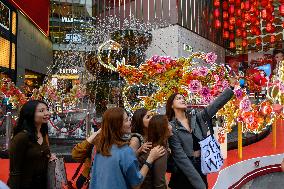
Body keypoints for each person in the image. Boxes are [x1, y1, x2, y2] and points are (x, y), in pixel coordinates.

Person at [166, 81, 237, 189]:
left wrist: (230, 88)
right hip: (182, 172)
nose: (182, 99)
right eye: (178, 98)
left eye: (183, 98)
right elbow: (179, 155)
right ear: (171, 105)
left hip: (200, 166)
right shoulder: (171, 127)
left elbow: (214, 106)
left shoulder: (196, 117)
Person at [89, 107, 165, 189]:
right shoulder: (125, 150)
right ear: (117, 125)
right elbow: (136, 183)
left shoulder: (100, 148)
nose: (130, 123)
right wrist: (150, 159)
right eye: (126, 120)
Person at [8, 100, 55, 189]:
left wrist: (49, 157)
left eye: (47, 109)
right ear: (30, 114)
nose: (47, 113)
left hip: (42, 183)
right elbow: (15, 172)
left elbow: (40, 153)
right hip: (25, 184)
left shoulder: (43, 133)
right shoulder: (21, 137)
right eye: (41, 111)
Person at [138, 115, 172, 189]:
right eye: (168, 124)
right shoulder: (160, 150)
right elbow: (159, 184)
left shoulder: (151, 145)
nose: (171, 126)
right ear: (162, 129)